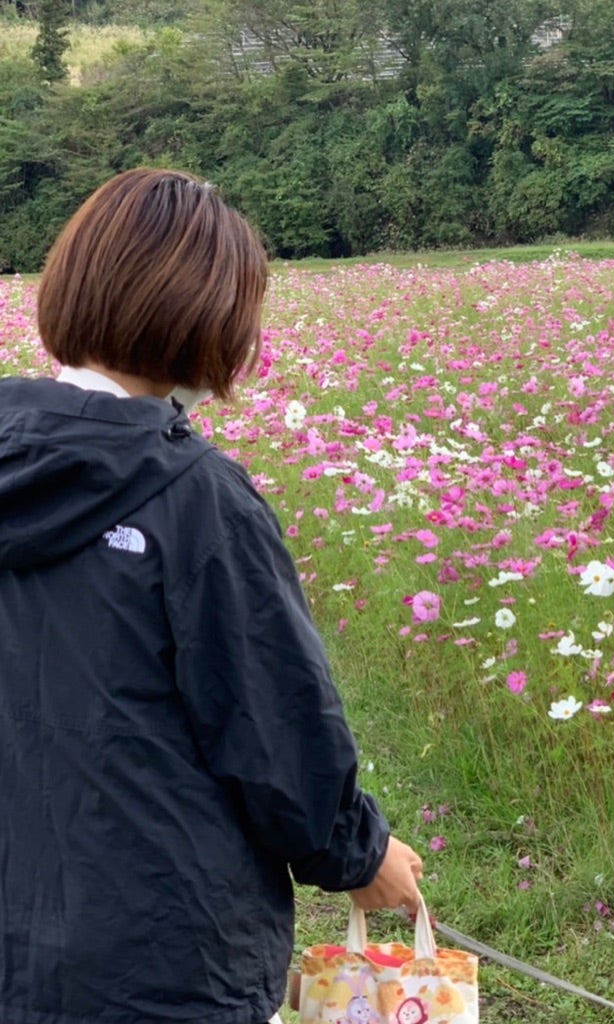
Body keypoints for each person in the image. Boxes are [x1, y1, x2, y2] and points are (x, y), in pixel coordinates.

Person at [0, 168, 423, 1024]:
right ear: (210, 322)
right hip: (161, 957)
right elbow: (275, 729)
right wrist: (360, 853)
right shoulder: (197, 501)